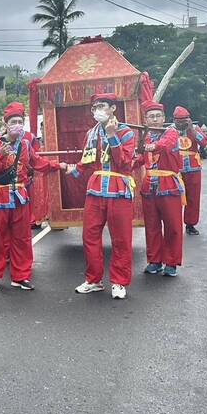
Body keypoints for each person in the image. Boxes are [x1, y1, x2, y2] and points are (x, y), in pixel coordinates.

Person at [0, 102, 66, 290]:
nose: (17, 124)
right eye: (14, 121)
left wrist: (57, 166)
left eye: (20, 121)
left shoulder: (26, 145)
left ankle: (20, 276)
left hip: (19, 195)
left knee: (22, 237)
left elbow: (38, 163)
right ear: (6, 123)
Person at [67, 93, 136, 299]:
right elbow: (87, 159)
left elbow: (124, 162)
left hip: (118, 188)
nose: (98, 110)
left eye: (102, 105)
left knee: (121, 238)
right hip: (96, 189)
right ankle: (93, 280)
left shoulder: (126, 132)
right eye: (95, 107)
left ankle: (119, 282)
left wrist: (112, 135)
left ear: (113, 108)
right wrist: (73, 170)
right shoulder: (91, 133)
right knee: (89, 236)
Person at [138, 101, 185, 277]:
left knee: (172, 226)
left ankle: (171, 262)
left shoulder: (171, 132)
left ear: (164, 118)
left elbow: (164, 145)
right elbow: (140, 157)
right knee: (151, 226)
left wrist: (150, 147)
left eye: (158, 116)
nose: (155, 119)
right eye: (151, 116)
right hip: (149, 186)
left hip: (168, 185)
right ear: (146, 119)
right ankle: (154, 260)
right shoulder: (145, 136)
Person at [173, 106, 207, 235]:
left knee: (193, 197)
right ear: (174, 120)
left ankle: (190, 224)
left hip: (193, 168)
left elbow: (204, 143)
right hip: (175, 169)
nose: (182, 123)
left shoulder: (195, 129)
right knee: (175, 197)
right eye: (179, 121)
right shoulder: (169, 131)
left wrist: (191, 130)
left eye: (185, 120)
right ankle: (174, 223)